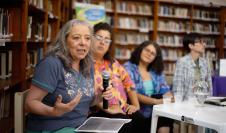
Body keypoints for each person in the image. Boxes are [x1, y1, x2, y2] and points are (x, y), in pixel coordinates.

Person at [25, 19, 112, 133]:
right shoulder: (51, 64)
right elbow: (29, 104)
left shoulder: (87, 65)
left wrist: (99, 97)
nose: (83, 42)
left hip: (81, 127)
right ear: (64, 41)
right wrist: (53, 111)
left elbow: (85, 102)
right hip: (52, 128)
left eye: (87, 38)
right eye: (76, 38)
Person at [90, 22, 149, 133]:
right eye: (99, 37)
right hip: (100, 111)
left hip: (122, 108)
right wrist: (111, 109)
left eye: (107, 40)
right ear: (91, 38)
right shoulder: (85, 64)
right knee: (125, 124)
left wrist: (135, 105)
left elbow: (129, 83)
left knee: (141, 120)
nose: (102, 42)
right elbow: (88, 93)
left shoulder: (113, 63)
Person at [123, 41, 174, 133]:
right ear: (141, 50)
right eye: (147, 50)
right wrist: (156, 101)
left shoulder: (156, 71)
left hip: (156, 110)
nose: (149, 54)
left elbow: (165, 90)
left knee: (166, 109)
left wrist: (169, 98)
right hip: (137, 110)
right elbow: (132, 93)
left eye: (153, 53)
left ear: (155, 58)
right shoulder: (128, 68)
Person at [172, 33, 213, 133]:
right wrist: (178, 111)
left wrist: (210, 104)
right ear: (191, 46)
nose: (204, 44)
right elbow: (178, 89)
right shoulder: (182, 62)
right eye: (200, 42)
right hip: (187, 107)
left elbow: (209, 87)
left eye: (204, 42)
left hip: (203, 106)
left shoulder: (205, 62)